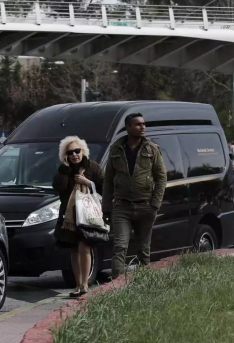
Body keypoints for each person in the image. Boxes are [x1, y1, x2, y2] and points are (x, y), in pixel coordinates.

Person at [102, 113, 167, 279]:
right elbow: (108, 179)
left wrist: (155, 205)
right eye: (138, 124)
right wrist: (106, 208)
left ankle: (144, 284)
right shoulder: (116, 149)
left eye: (144, 124)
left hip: (145, 205)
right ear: (128, 127)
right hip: (122, 206)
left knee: (143, 249)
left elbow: (161, 177)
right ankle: (116, 286)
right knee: (120, 246)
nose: (143, 127)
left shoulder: (152, 149)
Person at [52, 136, 104, 297]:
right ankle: (78, 284)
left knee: (84, 247)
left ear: (83, 150)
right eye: (70, 152)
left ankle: (85, 284)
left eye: (77, 151)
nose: (75, 154)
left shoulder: (93, 167)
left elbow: (106, 187)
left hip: (87, 214)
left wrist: (88, 182)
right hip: (69, 217)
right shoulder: (64, 170)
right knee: (74, 250)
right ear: (66, 155)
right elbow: (58, 187)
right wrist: (64, 169)